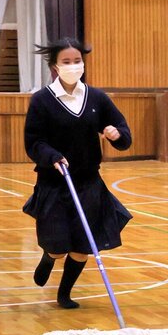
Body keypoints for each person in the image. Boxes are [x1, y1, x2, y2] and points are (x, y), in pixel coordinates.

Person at [24, 37, 133, 309]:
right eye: (66, 62)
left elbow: (123, 132)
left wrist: (116, 134)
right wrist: (52, 156)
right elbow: (34, 142)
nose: (73, 66)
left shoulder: (96, 98)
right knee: (60, 246)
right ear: (54, 66)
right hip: (54, 183)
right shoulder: (42, 101)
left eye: (77, 61)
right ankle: (50, 256)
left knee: (83, 246)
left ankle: (65, 294)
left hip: (88, 183)